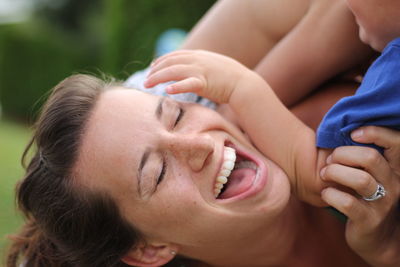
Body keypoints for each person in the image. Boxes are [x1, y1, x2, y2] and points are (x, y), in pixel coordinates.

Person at [6, 74, 400, 267]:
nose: (198, 145)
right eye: (157, 173)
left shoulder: (340, 122)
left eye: (176, 116)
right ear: (149, 249)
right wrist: (386, 251)